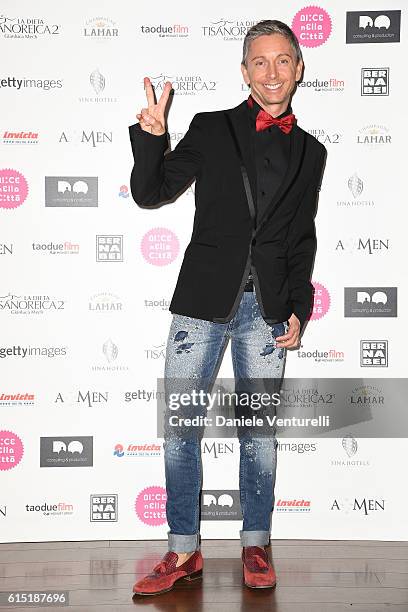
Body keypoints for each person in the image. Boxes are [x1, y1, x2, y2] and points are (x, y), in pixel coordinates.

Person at [129, 19, 326, 596]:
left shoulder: (312, 153)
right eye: (259, 62)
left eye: (282, 60)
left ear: (298, 68)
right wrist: (152, 139)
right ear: (245, 72)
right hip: (201, 305)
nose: (272, 72)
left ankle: (256, 542)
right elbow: (151, 192)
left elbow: (300, 239)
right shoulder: (211, 129)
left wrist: (299, 305)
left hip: (266, 311)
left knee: (259, 433)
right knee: (182, 428)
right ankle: (183, 551)